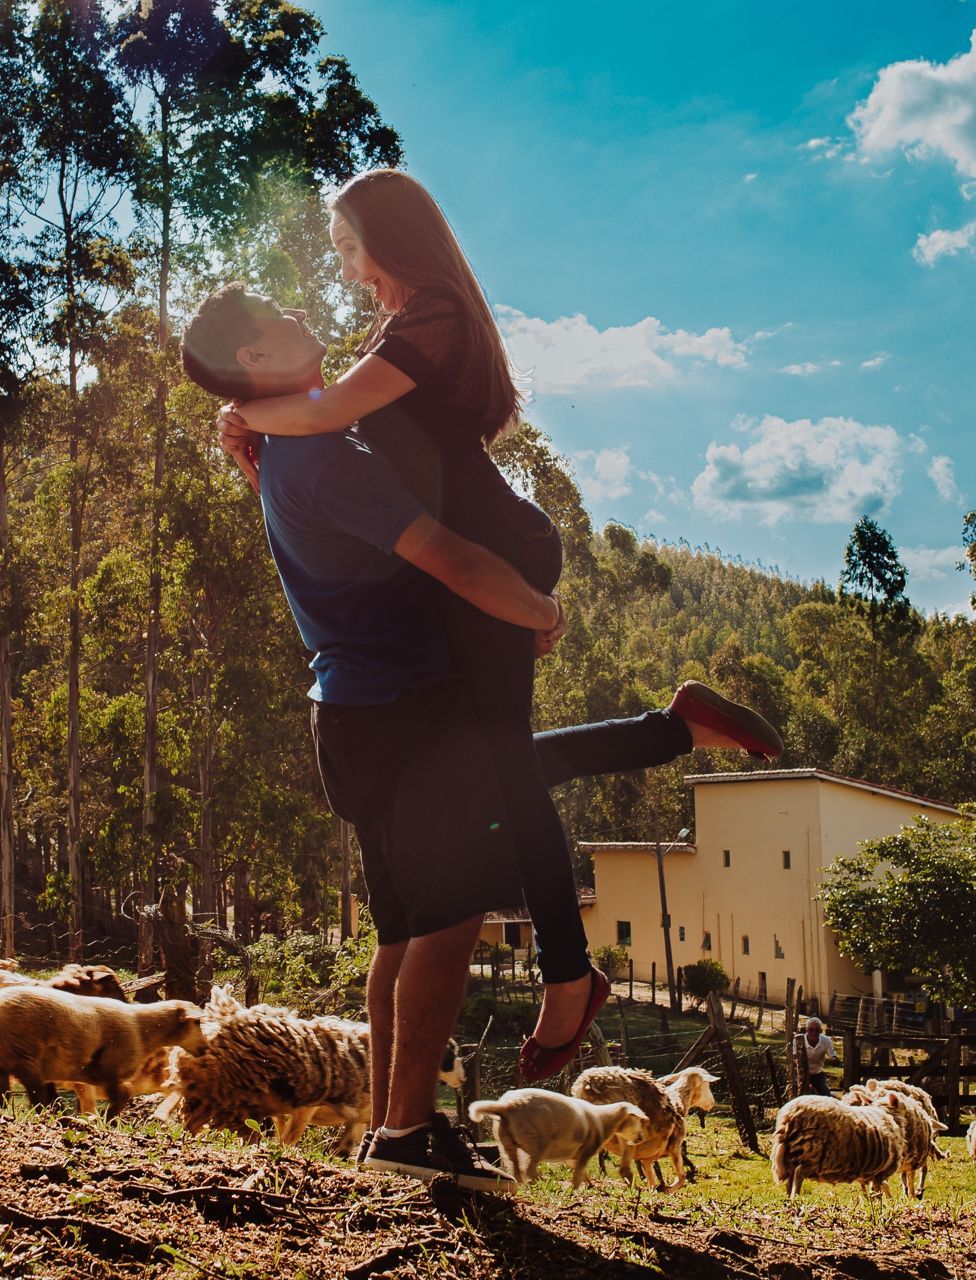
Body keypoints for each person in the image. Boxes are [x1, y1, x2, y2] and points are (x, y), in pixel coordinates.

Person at [180, 282, 782, 1187]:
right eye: (277, 319)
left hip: (347, 712)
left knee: (403, 925)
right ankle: (412, 1134)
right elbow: (446, 554)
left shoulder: (284, 446)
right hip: (406, 706)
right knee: (446, 927)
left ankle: (394, 1130)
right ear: (257, 360)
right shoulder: (319, 455)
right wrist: (536, 606)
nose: (300, 315)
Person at [798, 1017, 835, 1095]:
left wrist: (834, 1060)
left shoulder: (826, 1040)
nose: (814, 1032)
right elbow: (794, 1058)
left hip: (817, 1074)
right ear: (806, 1030)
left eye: (817, 1030)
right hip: (800, 1074)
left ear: (821, 1031)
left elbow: (832, 1056)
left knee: (826, 1096)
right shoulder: (799, 1040)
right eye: (811, 1029)